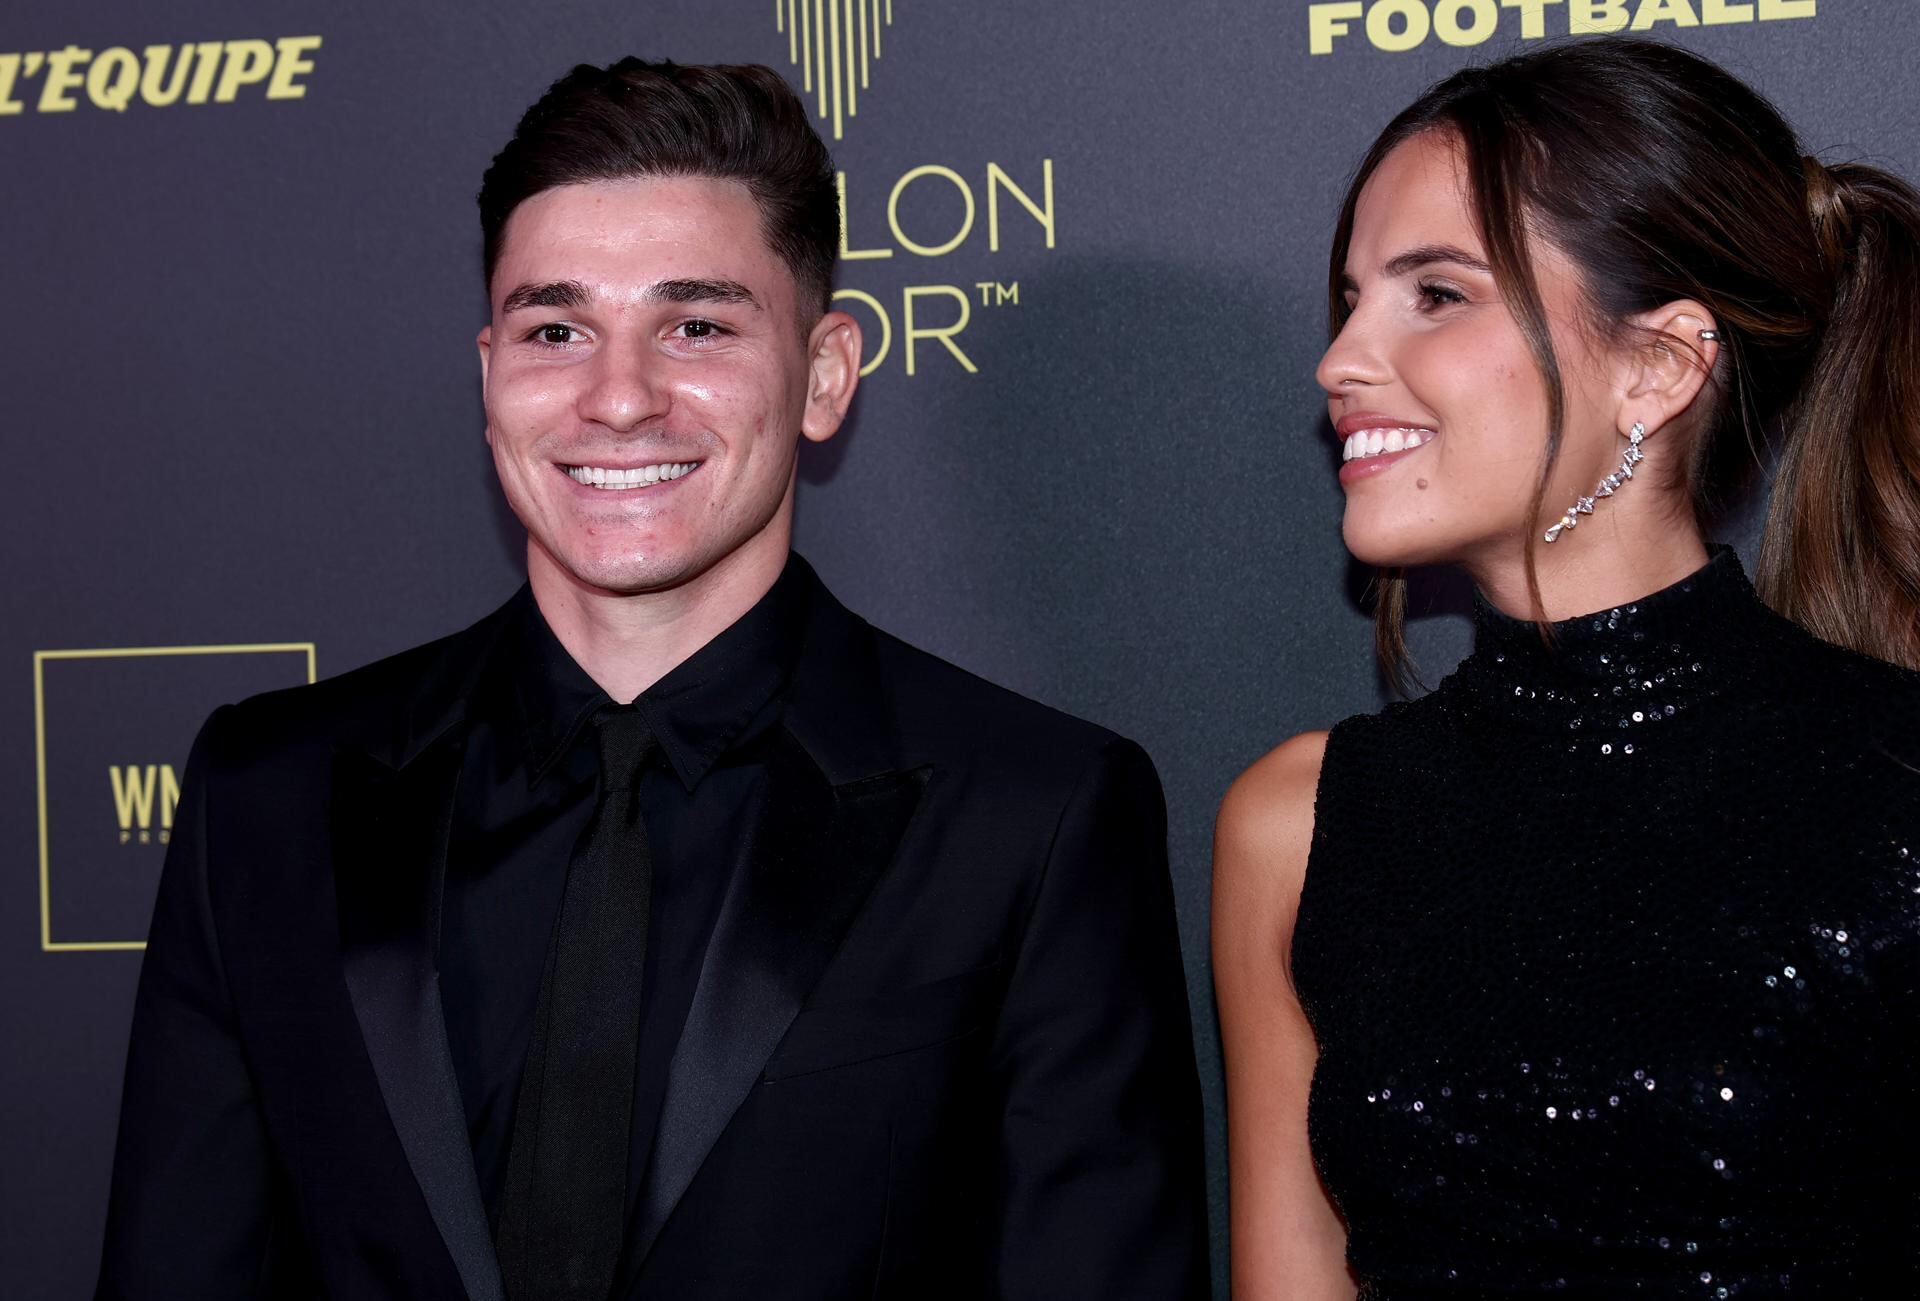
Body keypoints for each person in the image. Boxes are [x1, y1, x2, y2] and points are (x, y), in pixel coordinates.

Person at [97, 57, 1207, 1301]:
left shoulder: (1032, 814)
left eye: (698, 325)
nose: (617, 397)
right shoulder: (269, 794)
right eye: (556, 328)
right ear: (489, 377)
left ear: (826, 372)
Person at [1214, 37, 1920, 1299]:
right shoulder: (1301, 821)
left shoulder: (1895, 785)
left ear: (1658, 366)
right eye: (1351, 297)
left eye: (1436, 293)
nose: (1337, 363)